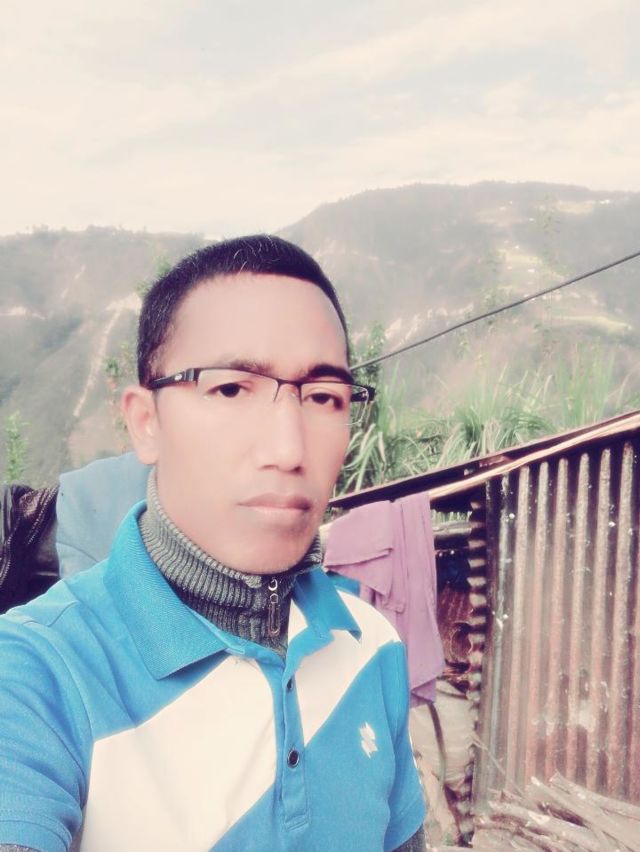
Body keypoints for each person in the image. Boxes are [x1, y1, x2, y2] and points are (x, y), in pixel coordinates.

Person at [0, 235, 427, 851]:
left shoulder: (372, 645)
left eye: (323, 398)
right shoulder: (34, 673)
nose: (289, 450)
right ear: (146, 422)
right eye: (230, 389)